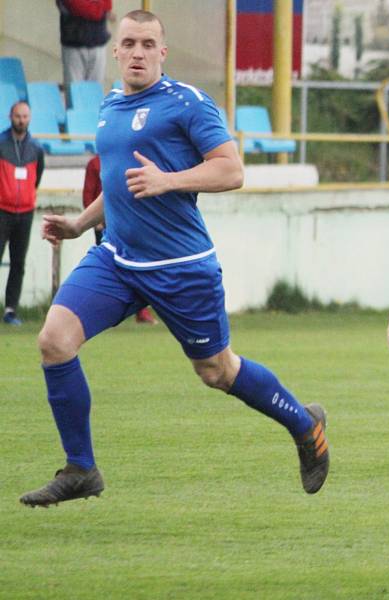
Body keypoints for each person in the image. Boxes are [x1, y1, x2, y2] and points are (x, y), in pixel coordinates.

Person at [20, 10, 329, 508]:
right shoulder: (110, 105)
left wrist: (170, 180)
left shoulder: (188, 103)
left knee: (217, 371)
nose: (138, 52)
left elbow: (232, 171)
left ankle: (303, 423)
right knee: (54, 342)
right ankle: (81, 468)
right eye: (129, 43)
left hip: (181, 266)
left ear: (163, 53)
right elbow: (122, 180)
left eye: (148, 44)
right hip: (117, 258)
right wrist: (80, 223)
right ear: (115, 52)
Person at [83, 153, 156, 324]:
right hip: (104, 224)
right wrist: (94, 220)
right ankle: (104, 311)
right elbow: (88, 193)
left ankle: (141, 311)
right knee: (108, 268)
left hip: (127, 221)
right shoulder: (94, 164)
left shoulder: (127, 161)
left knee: (137, 264)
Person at [0, 101, 45, 326]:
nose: (21, 120)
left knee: (19, 262)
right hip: (2, 211)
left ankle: (10, 310)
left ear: (30, 118)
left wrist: (27, 196)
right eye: (18, 116)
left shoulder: (36, 147)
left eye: (25, 116)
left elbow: (37, 177)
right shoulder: (1, 143)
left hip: (25, 213)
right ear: (10, 116)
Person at [57, 0, 114, 85]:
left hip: (98, 42)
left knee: (95, 91)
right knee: (75, 90)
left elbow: (107, 5)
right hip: (74, 45)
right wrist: (99, 6)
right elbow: (82, 8)